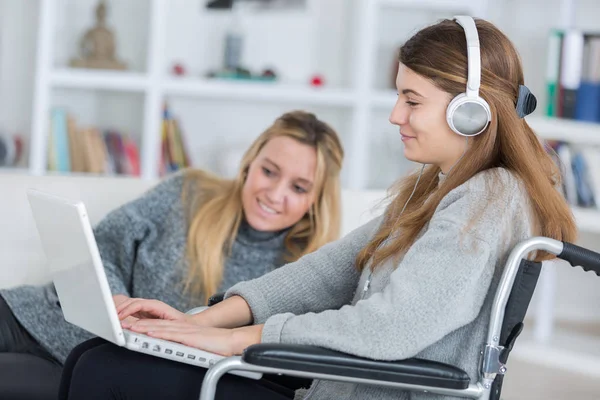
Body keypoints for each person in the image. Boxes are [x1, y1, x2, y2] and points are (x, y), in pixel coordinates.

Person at [60, 16, 577, 400]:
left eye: (412, 100)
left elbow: (393, 326)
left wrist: (244, 339)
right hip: (332, 388)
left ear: (471, 111)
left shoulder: (491, 197)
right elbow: (327, 272)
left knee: (103, 372)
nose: (396, 114)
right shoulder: (434, 189)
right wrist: (203, 322)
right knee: (97, 355)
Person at [0, 110, 344, 400]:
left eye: (298, 187)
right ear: (249, 164)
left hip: (84, 365)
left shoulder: (303, 275)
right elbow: (105, 243)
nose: (274, 193)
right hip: (35, 311)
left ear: (317, 199)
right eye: (268, 171)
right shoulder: (189, 192)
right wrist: (114, 299)